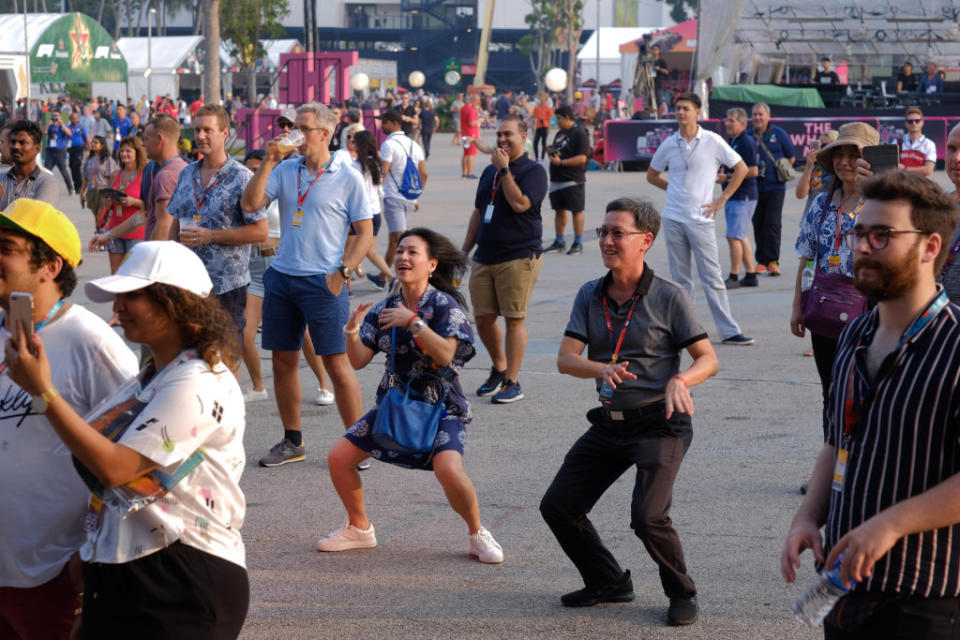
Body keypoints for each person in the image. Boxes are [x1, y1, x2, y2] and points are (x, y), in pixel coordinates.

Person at [7, 240, 249, 638]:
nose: (117, 308)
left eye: (131, 295)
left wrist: (43, 392)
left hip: (181, 577)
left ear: (177, 302)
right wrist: (91, 556)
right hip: (125, 571)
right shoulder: (152, 375)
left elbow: (116, 468)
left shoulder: (200, 381)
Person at [781, 171, 960, 639]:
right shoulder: (854, 336)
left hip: (925, 597)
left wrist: (890, 526)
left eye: (883, 235)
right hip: (843, 583)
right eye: (860, 232)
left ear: (929, 246)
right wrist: (808, 517)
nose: (862, 246)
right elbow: (836, 441)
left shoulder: (956, 346)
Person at [541, 197, 718, 626]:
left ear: (646, 241)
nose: (606, 240)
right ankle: (608, 582)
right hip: (610, 424)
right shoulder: (590, 294)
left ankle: (682, 592)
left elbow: (708, 358)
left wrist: (681, 379)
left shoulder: (669, 296)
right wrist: (601, 368)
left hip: (661, 423)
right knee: (559, 506)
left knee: (647, 517)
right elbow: (566, 359)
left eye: (617, 232)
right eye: (603, 232)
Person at [319, 227, 504, 564]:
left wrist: (414, 323)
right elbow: (359, 361)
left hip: (442, 406)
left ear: (431, 265)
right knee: (339, 458)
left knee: (448, 470)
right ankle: (359, 528)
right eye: (400, 251)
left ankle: (478, 532)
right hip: (396, 404)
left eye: (412, 252)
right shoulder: (384, 308)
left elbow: (448, 355)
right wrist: (351, 331)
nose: (403, 257)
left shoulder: (444, 305)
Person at [0, 198, 138, 640]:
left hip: (52, 572)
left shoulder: (90, 342)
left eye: (5, 246)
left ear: (50, 267)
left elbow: (136, 462)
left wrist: (92, 554)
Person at [241, 102, 374, 467]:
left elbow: (365, 233)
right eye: (293, 127)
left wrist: (344, 272)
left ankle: (357, 444)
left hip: (324, 280)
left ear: (325, 134)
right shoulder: (285, 168)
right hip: (282, 277)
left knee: (336, 364)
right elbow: (251, 204)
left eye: (303, 128)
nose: (295, 134)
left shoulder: (347, 177)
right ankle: (292, 440)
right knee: (283, 362)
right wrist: (268, 160)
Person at [647, 92, 755, 346]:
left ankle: (728, 331)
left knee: (712, 277)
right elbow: (651, 175)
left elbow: (740, 168)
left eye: (686, 108)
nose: (681, 112)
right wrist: (673, 190)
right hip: (673, 217)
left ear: (697, 111)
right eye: (678, 108)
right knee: (680, 279)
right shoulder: (670, 143)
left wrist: (722, 199)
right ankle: (684, 330)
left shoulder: (713, 141)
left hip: (701, 218)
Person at [791, 122, 879, 411]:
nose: (844, 162)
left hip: (869, 312)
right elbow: (807, 257)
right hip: (825, 308)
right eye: (838, 154)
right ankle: (834, 448)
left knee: (864, 394)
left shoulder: (883, 205)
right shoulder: (820, 203)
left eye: (853, 155)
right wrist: (797, 306)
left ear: (870, 160)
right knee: (830, 392)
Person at [461, 115, 547, 404]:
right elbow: (477, 212)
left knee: (513, 319)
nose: (501, 140)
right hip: (485, 254)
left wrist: (506, 170)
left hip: (519, 255)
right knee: (483, 319)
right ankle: (499, 367)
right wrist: (464, 251)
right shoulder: (488, 172)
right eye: (498, 135)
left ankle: (512, 380)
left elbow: (521, 204)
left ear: (523, 137)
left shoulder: (533, 171)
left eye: (508, 134)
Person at [166, 104, 269, 338]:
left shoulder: (242, 177)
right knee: (191, 359)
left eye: (207, 130)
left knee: (224, 360)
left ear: (225, 133)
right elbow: (174, 223)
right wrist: (169, 265)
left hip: (226, 288)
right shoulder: (187, 173)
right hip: (188, 284)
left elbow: (261, 231)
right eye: (197, 130)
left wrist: (212, 236)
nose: (200, 136)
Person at [749, 102, 796, 276]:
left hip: (775, 187)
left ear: (768, 117)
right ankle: (761, 261)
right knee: (758, 223)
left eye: (760, 114)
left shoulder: (779, 133)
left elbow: (791, 158)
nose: (757, 118)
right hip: (754, 187)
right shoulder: (748, 135)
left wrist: (777, 168)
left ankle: (773, 261)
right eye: (754, 115)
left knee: (773, 223)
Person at [379, 110, 427, 272]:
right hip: (409, 197)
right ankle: (386, 275)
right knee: (397, 237)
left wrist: (376, 194)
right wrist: (416, 196)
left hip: (393, 197)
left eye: (384, 122)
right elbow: (424, 174)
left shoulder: (388, 145)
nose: (381, 125)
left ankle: (385, 276)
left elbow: (383, 172)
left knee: (396, 239)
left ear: (393, 123)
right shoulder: (415, 144)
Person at [718, 107, 759, 288]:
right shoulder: (733, 141)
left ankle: (734, 276)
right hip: (737, 195)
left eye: (731, 120)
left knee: (733, 236)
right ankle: (751, 274)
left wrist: (726, 177)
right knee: (740, 236)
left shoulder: (746, 142)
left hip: (742, 196)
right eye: (727, 119)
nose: (727, 123)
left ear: (742, 123)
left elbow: (753, 170)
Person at [96, 136, 146, 282]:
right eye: (122, 151)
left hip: (136, 231)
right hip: (115, 228)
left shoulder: (144, 175)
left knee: (134, 276)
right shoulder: (115, 174)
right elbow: (108, 206)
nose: (124, 154)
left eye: (128, 151)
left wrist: (134, 202)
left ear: (137, 153)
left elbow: (151, 205)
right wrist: (109, 201)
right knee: (116, 275)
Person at [543, 105, 590, 256]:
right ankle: (559, 240)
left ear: (568, 117)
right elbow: (560, 151)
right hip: (557, 179)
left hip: (572, 179)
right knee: (559, 210)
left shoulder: (580, 133)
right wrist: (551, 152)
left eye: (559, 119)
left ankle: (578, 242)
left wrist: (562, 163)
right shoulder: (560, 133)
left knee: (576, 211)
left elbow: (582, 157)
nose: (557, 122)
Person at [0, 120, 61, 210]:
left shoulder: (46, 181)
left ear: (37, 148)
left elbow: (37, 216)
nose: (16, 146)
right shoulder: (2, 179)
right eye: (13, 142)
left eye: (22, 143)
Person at [796, 130, 840, 217]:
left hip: (832, 218)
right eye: (821, 145)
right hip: (811, 218)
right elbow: (800, 194)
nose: (823, 149)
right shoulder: (814, 168)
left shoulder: (840, 168)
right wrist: (808, 166)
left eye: (828, 145)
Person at [79, 135, 117, 230]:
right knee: (96, 215)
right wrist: (81, 193)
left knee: (101, 215)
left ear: (102, 145)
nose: (93, 144)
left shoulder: (108, 160)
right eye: (93, 142)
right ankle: (99, 231)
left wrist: (111, 193)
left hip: (103, 191)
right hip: (91, 191)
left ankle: (101, 233)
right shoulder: (89, 160)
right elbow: (85, 178)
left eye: (96, 142)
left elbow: (113, 177)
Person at [899, 107, 936, 177]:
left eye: (917, 121)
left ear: (922, 122)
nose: (914, 123)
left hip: (920, 185)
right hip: (901, 185)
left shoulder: (929, 144)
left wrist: (904, 169)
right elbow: (893, 168)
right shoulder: (897, 142)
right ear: (906, 123)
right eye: (910, 121)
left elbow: (928, 170)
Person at [43, 112, 74, 196]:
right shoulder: (50, 126)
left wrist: (62, 125)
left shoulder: (64, 126)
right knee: (46, 171)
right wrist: (48, 124)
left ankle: (70, 188)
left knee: (63, 171)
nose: (55, 119)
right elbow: (44, 132)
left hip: (59, 151)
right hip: (50, 151)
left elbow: (70, 134)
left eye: (56, 118)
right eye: (53, 117)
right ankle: (43, 189)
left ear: (60, 117)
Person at [66, 112, 87, 196]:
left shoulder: (81, 127)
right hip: (71, 149)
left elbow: (86, 137)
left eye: (75, 118)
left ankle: (80, 186)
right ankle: (75, 185)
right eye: (72, 118)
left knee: (77, 166)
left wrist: (88, 148)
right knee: (72, 166)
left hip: (79, 148)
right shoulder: (68, 127)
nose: (74, 120)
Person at [461, 93, 481, 178]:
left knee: (465, 153)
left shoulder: (464, 108)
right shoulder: (471, 109)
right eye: (478, 102)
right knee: (471, 154)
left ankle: (464, 173)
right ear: (475, 101)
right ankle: (470, 173)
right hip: (471, 134)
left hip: (464, 133)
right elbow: (472, 123)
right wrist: (480, 120)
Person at [532, 93, 552, 161]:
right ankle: (537, 157)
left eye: (543, 99)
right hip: (538, 126)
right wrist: (533, 124)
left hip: (545, 126)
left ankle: (542, 157)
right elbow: (534, 116)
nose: (541, 100)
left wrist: (549, 128)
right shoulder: (537, 107)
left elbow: (550, 118)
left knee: (543, 142)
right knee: (535, 143)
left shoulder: (548, 108)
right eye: (540, 99)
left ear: (545, 99)